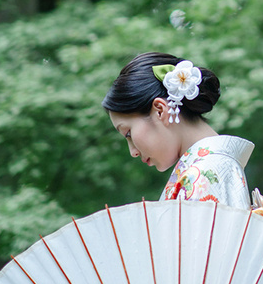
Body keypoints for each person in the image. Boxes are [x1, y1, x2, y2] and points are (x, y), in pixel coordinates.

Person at [102, 52, 254, 209]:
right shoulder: (211, 166)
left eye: (128, 134)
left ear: (160, 110)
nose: (133, 152)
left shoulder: (203, 173)